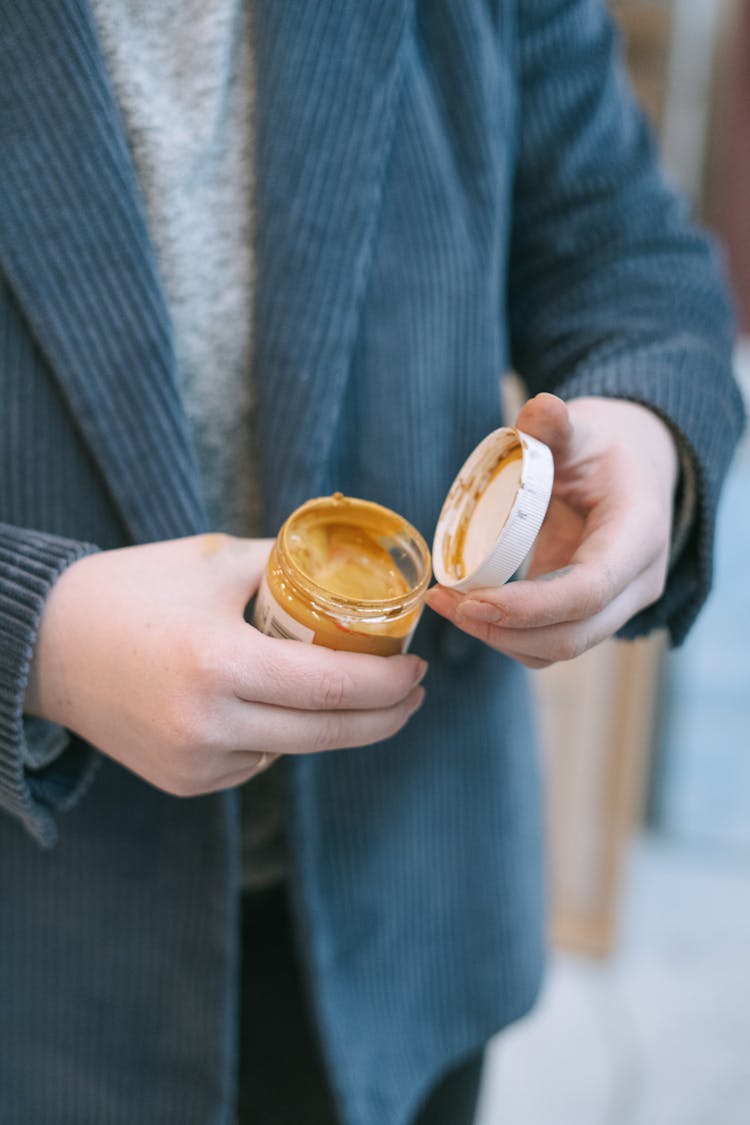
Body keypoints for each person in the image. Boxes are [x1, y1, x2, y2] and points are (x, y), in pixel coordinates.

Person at [0, 1, 744, 1123]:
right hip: (43, 969)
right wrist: (37, 636)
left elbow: (628, 251)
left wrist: (647, 432)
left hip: (410, 900)